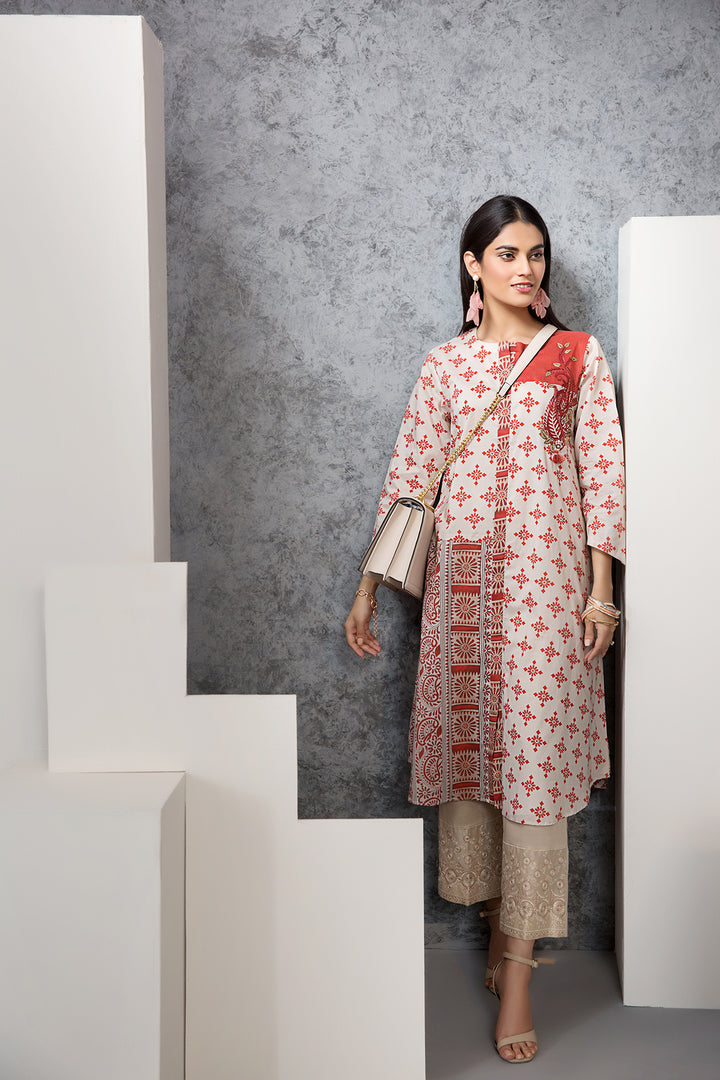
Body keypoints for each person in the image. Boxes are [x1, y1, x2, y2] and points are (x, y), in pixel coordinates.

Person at [344, 195, 625, 1064]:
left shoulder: (576, 357)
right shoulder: (444, 366)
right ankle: (502, 928)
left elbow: (604, 476)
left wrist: (601, 593)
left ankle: (521, 972)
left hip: (545, 595)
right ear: (473, 265)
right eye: (507, 253)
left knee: (533, 769)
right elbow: (411, 479)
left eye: (536, 254)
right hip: (462, 593)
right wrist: (366, 588)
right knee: (478, 759)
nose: (525, 269)